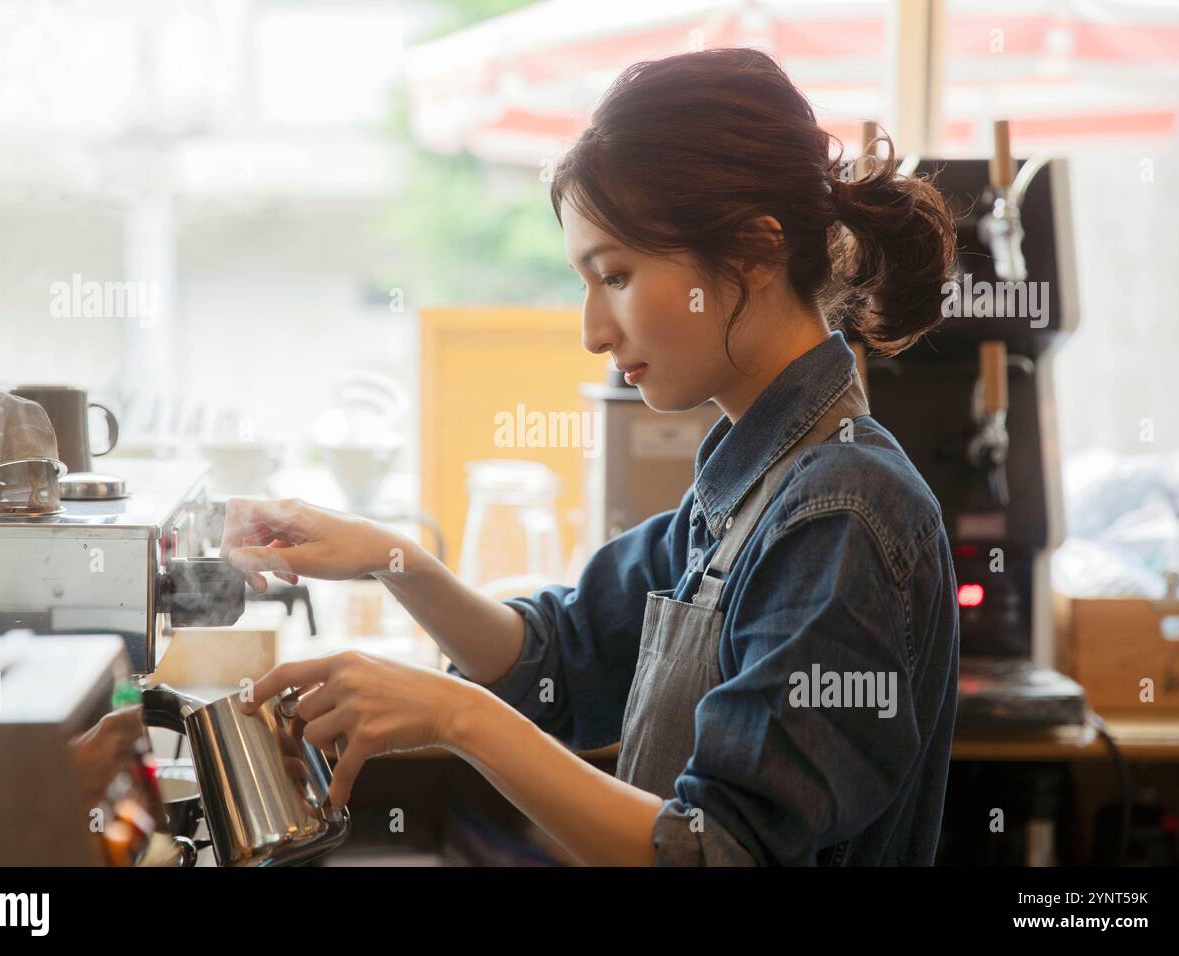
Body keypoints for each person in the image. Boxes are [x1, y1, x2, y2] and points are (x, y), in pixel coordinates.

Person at [224, 47, 960, 866]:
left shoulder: (842, 510)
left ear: (753, 251)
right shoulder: (749, 487)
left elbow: (715, 853)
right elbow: (555, 663)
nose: (592, 332)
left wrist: (455, 716)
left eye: (613, 276)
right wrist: (394, 558)